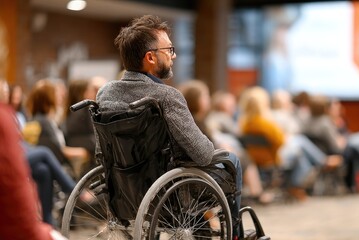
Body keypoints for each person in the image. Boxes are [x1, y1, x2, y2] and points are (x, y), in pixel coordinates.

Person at [95, 15, 243, 238]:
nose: (173, 57)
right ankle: (236, 233)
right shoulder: (166, 96)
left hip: (122, 188)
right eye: (169, 50)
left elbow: (101, 152)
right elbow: (203, 154)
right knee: (232, 161)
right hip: (169, 190)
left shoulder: (105, 93)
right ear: (151, 57)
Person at [0, 100, 67, 240]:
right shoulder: (6, 116)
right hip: (18, 155)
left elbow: (20, 142)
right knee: (45, 152)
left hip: (21, 150)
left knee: (43, 170)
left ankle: (47, 219)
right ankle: (72, 189)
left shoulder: (12, 114)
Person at [25, 79, 90, 178]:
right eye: (57, 92)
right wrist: (85, 152)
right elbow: (58, 151)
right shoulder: (42, 122)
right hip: (56, 168)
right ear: (49, 97)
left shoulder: (49, 120)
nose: (61, 95)